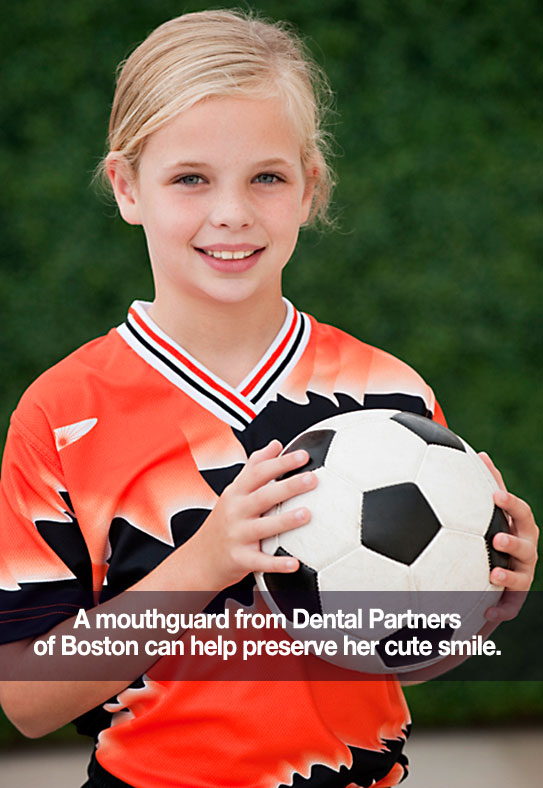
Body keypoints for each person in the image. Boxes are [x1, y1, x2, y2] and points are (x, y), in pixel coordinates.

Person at [0, 8, 538, 788]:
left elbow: (392, 656)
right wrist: (204, 564)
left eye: (266, 177)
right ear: (126, 187)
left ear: (308, 188)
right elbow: (25, 698)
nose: (232, 212)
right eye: (190, 178)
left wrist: (479, 609)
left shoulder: (389, 398)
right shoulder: (62, 412)